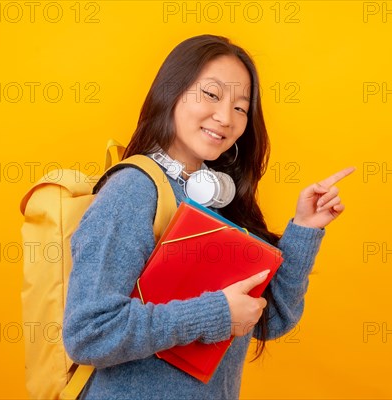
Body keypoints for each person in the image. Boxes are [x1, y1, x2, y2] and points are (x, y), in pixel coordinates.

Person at [63, 34, 355, 399]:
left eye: (240, 108)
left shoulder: (216, 197)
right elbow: (90, 334)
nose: (225, 117)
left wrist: (305, 229)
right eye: (212, 95)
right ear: (171, 92)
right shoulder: (133, 190)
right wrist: (216, 313)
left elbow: (270, 320)